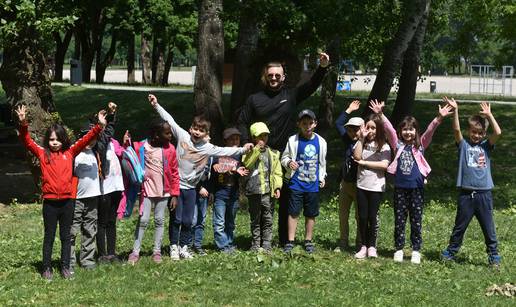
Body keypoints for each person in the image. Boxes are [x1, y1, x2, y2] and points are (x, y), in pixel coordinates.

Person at [237, 53, 330, 246]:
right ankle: (262, 241)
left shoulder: (291, 95)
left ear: (283, 77)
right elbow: (242, 120)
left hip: (286, 155)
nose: (273, 78)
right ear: (265, 76)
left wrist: (322, 67)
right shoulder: (254, 99)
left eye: (277, 75)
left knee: (287, 198)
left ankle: (284, 239)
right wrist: (247, 142)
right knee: (262, 200)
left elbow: (311, 86)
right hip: (261, 157)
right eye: (270, 75)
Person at [148, 94, 253, 260]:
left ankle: (184, 247)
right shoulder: (182, 136)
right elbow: (170, 120)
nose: (197, 132)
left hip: (191, 189)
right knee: (176, 218)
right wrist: (156, 105)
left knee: (189, 220)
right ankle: (173, 246)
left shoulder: (207, 147)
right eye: (195, 128)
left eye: (201, 130)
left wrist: (243, 150)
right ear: (190, 128)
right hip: (176, 187)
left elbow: (225, 151)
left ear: (206, 133)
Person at [15, 105, 105, 280]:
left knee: (66, 236)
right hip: (50, 203)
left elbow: (86, 140)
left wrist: (98, 126)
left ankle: (65, 267)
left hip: (67, 203)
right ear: (47, 141)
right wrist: (23, 123)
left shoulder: (70, 153)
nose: (54, 143)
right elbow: (26, 141)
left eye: (58, 139)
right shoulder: (42, 153)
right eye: (51, 140)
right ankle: (46, 268)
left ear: (64, 140)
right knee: (49, 237)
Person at [369, 100, 453, 264]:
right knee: (399, 220)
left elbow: (429, 132)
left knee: (416, 220)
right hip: (400, 189)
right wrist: (380, 114)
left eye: (411, 129)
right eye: (405, 129)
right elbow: (389, 130)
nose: (408, 132)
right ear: (401, 131)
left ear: (416, 131)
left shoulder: (420, 146)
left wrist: (438, 119)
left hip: (417, 190)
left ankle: (416, 250)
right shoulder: (397, 145)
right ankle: (399, 249)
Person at [441, 98, 502, 267]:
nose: (476, 135)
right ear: (469, 131)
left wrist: (489, 115)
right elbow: (456, 129)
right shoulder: (463, 145)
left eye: (480, 133)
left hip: (484, 194)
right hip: (466, 195)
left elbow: (497, 133)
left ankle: (494, 256)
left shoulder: (486, 146)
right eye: (474, 132)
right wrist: (456, 111)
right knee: (459, 227)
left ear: (483, 134)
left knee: (488, 228)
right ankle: (451, 252)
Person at [127, 118, 180, 265]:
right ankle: (135, 251)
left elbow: (175, 172)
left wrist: (175, 194)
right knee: (143, 221)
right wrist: (127, 142)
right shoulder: (143, 146)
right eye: (167, 133)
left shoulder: (170, 149)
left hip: (164, 192)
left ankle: (157, 251)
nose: (171, 136)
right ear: (157, 135)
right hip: (146, 191)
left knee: (159, 220)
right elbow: (129, 151)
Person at [281, 110, 327, 254]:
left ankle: (308, 240)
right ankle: (290, 241)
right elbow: (284, 158)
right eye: (304, 123)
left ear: (315, 124)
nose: (307, 126)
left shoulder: (321, 142)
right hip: (296, 182)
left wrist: (322, 177)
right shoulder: (293, 140)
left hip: (312, 183)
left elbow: (322, 163)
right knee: (293, 212)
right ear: (299, 125)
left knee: (311, 213)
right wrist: (289, 163)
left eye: (310, 123)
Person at [352, 111, 391, 259]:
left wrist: (365, 163)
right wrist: (361, 139)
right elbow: (356, 156)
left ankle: (372, 246)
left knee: (372, 217)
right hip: (361, 185)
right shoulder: (362, 142)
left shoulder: (384, 146)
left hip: (376, 187)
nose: (371, 131)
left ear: (379, 129)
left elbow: (384, 165)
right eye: (368, 127)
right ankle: (363, 246)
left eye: (374, 128)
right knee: (362, 217)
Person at [242, 122, 283, 252]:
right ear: (254, 137)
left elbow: (277, 172)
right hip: (254, 191)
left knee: (268, 218)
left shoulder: (273, 154)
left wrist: (277, 187)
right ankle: (255, 244)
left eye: (265, 135)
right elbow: (247, 163)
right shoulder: (248, 152)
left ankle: (267, 244)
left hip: (268, 192)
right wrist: (255, 151)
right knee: (255, 219)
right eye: (260, 136)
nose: (263, 139)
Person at [210, 128, 249, 253]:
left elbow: (242, 169)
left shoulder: (240, 155)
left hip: (233, 194)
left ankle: (229, 243)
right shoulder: (219, 153)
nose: (235, 141)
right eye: (232, 138)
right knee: (219, 222)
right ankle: (222, 246)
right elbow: (216, 167)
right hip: (220, 194)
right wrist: (231, 168)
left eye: (237, 138)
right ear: (225, 140)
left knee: (230, 222)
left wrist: (238, 170)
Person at [96, 103, 125, 264]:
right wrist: (110, 120)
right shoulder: (98, 143)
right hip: (104, 188)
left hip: (116, 187)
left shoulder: (112, 142)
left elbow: (110, 133)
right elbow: (106, 133)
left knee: (112, 221)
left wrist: (112, 115)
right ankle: (102, 254)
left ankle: (112, 253)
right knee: (102, 221)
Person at [335, 100, 364, 250]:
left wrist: (363, 137)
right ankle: (343, 242)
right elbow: (338, 124)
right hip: (346, 184)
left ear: (363, 129)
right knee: (343, 215)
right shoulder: (347, 140)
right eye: (350, 130)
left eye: (356, 130)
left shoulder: (367, 144)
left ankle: (360, 243)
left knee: (360, 216)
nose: (353, 133)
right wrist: (349, 110)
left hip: (361, 185)